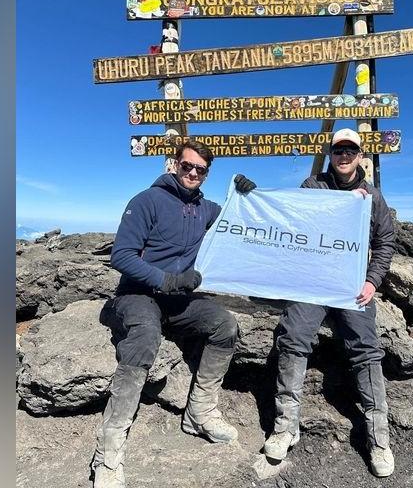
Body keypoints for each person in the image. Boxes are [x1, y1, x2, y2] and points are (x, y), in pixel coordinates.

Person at [91, 140, 253, 488]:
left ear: (207, 174)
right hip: (138, 294)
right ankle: (109, 451)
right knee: (145, 337)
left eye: (200, 169)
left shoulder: (206, 209)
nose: (192, 173)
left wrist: (246, 196)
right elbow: (121, 256)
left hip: (178, 301)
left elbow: (242, 219)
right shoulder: (147, 200)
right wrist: (166, 280)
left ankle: (200, 413)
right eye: (187, 165)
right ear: (174, 164)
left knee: (225, 324)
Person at [238, 128, 397, 477]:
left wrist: (372, 281)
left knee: (366, 347)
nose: (344, 156)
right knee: (293, 336)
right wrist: (252, 196)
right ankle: (285, 427)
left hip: (352, 285)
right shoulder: (313, 186)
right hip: (312, 282)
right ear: (330, 154)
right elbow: (288, 218)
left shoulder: (373, 197)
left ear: (360, 156)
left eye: (350, 150)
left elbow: (385, 242)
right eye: (338, 150)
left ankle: (379, 438)